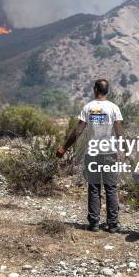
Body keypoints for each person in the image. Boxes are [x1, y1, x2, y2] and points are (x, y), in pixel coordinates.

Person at [57, 79, 125, 233]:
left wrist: (64, 147)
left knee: (94, 187)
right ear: (107, 91)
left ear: (95, 89)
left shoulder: (88, 107)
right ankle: (113, 224)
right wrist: (127, 150)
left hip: (92, 153)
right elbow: (120, 130)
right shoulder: (114, 108)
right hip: (109, 152)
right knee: (111, 188)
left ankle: (94, 223)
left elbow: (78, 131)